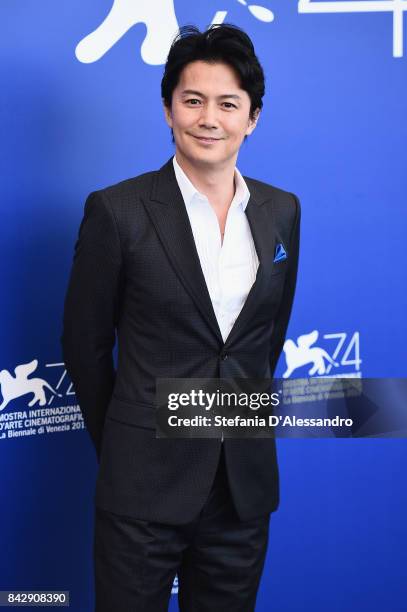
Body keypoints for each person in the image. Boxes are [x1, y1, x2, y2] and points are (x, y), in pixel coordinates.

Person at [61, 23, 301, 612]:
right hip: (142, 486)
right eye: (192, 100)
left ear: (253, 117)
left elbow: (265, 340)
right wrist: (128, 437)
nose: (208, 118)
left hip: (241, 489)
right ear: (168, 109)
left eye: (228, 104)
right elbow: (85, 346)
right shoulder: (117, 211)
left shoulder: (282, 211)